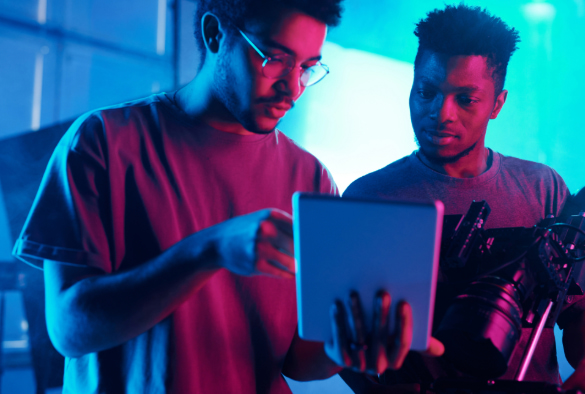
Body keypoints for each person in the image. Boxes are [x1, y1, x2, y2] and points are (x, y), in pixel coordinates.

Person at [12, 0, 437, 393]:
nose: (293, 88)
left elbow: (298, 361)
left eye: (309, 67)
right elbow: (69, 330)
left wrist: (352, 345)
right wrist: (209, 249)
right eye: (275, 58)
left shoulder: (312, 180)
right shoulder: (103, 141)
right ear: (216, 35)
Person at [341, 4, 585, 393]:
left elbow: (576, 312)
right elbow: (343, 345)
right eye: (427, 91)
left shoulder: (544, 190)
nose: (441, 113)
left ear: (497, 104)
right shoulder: (368, 198)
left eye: (466, 99)